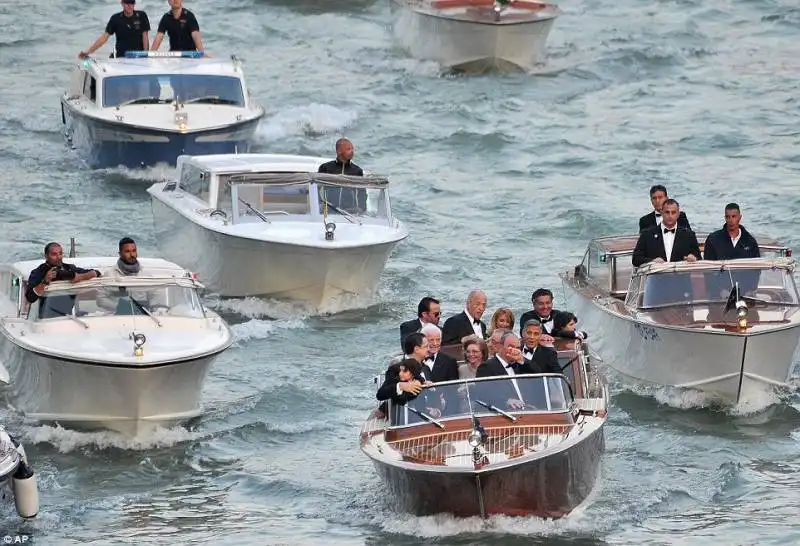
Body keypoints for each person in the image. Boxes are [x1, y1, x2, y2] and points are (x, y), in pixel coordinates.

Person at [25, 242, 101, 318]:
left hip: (68, 317)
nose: (58, 257)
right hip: (46, 318)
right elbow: (30, 297)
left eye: (60, 253)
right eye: (54, 254)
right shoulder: (38, 272)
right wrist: (45, 281)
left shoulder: (69, 268)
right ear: (46, 256)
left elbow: (96, 272)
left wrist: (80, 277)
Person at [632, 199, 701, 267]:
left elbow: (699, 258)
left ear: (678, 214)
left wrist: (693, 258)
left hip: (681, 277)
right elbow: (636, 259)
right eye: (667, 212)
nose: (670, 216)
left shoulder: (689, 235)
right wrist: (652, 261)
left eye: (673, 212)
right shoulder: (647, 234)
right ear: (662, 212)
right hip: (655, 277)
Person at [79, 0, 151, 59]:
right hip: (122, 58)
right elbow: (104, 38)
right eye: (127, 3)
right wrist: (88, 51)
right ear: (122, 3)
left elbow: (145, 36)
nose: (129, 5)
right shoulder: (115, 19)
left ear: (134, 3)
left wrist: (145, 55)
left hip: (139, 57)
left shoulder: (141, 15)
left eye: (132, 3)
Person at [317, 138, 366, 213]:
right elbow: (317, 189)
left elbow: (362, 193)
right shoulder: (326, 168)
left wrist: (361, 208)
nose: (352, 152)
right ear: (339, 151)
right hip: (329, 210)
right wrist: (320, 204)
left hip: (350, 213)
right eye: (348, 149)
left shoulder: (357, 171)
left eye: (352, 149)